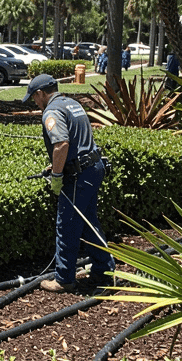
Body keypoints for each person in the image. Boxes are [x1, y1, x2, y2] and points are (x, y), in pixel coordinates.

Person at [24, 73, 115, 293]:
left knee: (67, 224)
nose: (35, 104)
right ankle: (104, 270)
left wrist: (57, 175)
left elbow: (62, 144)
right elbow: (77, 140)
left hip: (78, 176)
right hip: (93, 168)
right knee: (88, 221)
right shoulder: (72, 104)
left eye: (34, 99)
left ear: (40, 93)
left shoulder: (52, 112)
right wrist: (57, 165)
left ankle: (64, 278)